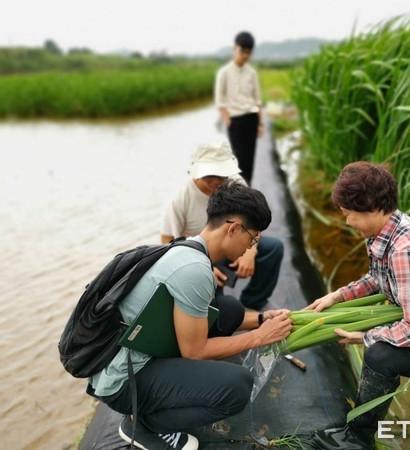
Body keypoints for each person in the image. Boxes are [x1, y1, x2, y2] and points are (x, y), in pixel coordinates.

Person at [87, 180, 293, 450]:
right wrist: (258, 337)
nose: (251, 247)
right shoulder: (195, 270)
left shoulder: (185, 248)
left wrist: (263, 319)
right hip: (124, 382)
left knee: (227, 309)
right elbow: (194, 352)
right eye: (252, 238)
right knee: (238, 387)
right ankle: (148, 425)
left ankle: (154, 408)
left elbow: (203, 319)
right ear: (233, 228)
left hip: (131, 355)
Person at [306, 161, 410, 450]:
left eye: (349, 214)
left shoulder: (406, 249)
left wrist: (364, 336)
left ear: (371, 206)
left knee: (379, 355)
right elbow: (379, 278)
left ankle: (358, 438)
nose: (347, 222)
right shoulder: (385, 231)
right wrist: (337, 295)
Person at [160, 141, 284, 312]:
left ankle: (255, 300)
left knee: (273, 247)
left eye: (222, 175)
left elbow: (253, 221)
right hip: (203, 255)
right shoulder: (180, 200)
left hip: (235, 241)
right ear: (196, 173)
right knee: (216, 306)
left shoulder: (235, 184)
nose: (217, 181)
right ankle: (220, 309)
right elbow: (167, 242)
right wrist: (203, 267)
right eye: (209, 175)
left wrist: (250, 252)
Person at [214, 30, 263, 185]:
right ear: (235, 48)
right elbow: (220, 100)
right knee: (238, 159)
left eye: (249, 52)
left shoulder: (251, 73)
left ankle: (247, 191)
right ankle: (239, 192)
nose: (245, 56)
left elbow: (257, 99)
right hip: (235, 120)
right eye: (242, 51)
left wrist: (260, 123)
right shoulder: (224, 73)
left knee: (250, 159)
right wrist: (227, 120)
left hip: (251, 118)